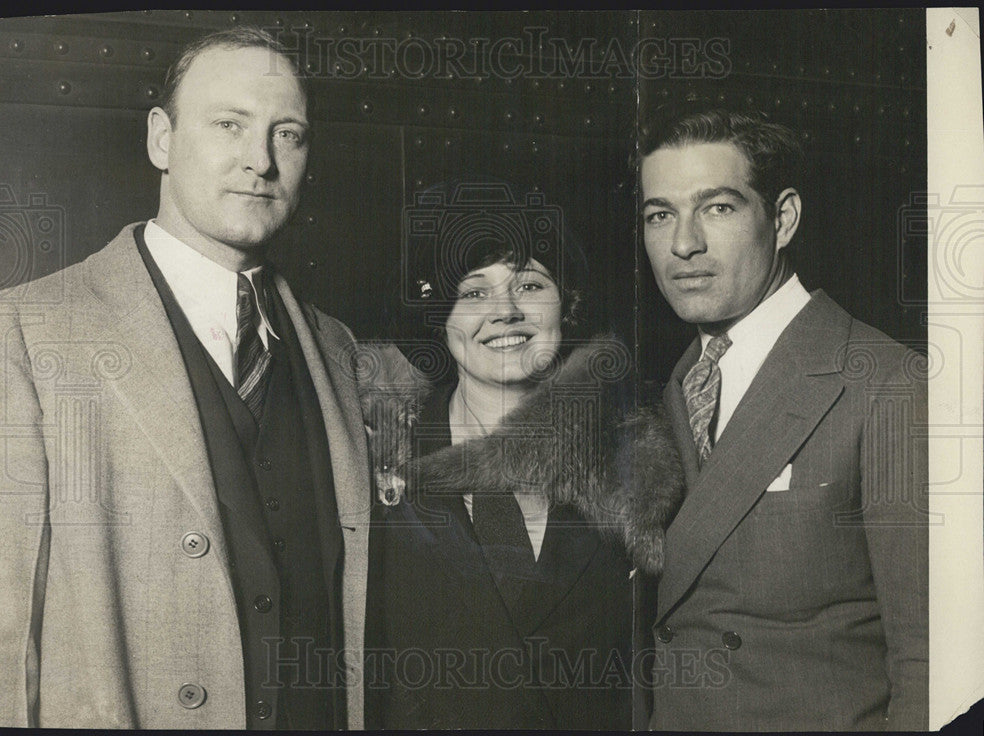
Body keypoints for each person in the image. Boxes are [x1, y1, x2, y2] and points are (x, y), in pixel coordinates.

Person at [0, 27, 370, 729]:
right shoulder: (18, 331)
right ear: (161, 139)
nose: (260, 161)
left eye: (288, 135)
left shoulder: (336, 350)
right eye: (230, 124)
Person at [634, 103, 929, 730]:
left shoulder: (883, 383)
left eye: (717, 207)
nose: (684, 243)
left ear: (783, 218)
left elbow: (928, 658)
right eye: (661, 215)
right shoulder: (681, 383)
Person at [360, 181, 683, 729]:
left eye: (530, 284)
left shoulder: (639, 459)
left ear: (568, 305)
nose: (506, 312)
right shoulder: (373, 457)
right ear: (441, 317)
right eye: (474, 293)